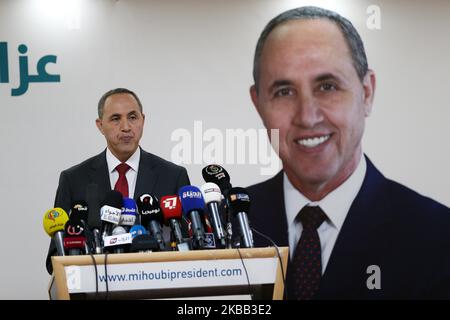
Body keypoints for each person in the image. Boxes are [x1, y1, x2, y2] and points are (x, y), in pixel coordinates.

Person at [247, 6, 450, 299]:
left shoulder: (437, 238)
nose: (307, 116)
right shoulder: (221, 231)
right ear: (258, 105)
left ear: (366, 93)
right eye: (284, 92)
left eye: (327, 86)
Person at [46, 88, 190, 274]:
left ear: (143, 120)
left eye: (132, 117)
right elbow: (56, 257)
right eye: (115, 119)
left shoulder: (173, 175)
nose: (126, 127)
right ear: (100, 125)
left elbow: (189, 248)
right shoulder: (74, 179)